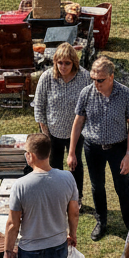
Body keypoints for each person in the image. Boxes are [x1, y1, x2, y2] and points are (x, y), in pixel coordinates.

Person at [69, 56, 129, 241]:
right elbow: (78, 122)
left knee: (122, 186)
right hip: (93, 148)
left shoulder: (125, 94)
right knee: (96, 186)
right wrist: (71, 152)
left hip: (118, 148)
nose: (96, 83)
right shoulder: (86, 93)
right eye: (93, 79)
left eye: (100, 80)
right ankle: (101, 221)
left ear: (111, 77)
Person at [33, 42, 91, 202]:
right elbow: (39, 106)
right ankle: (57, 198)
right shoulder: (47, 78)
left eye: (67, 63)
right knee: (54, 167)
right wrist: (45, 134)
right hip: (53, 132)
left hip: (77, 132)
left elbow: (90, 104)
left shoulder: (84, 77)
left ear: (74, 63)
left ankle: (76, 197)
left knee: (75, 165)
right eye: (60, 63)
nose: (63, 67)